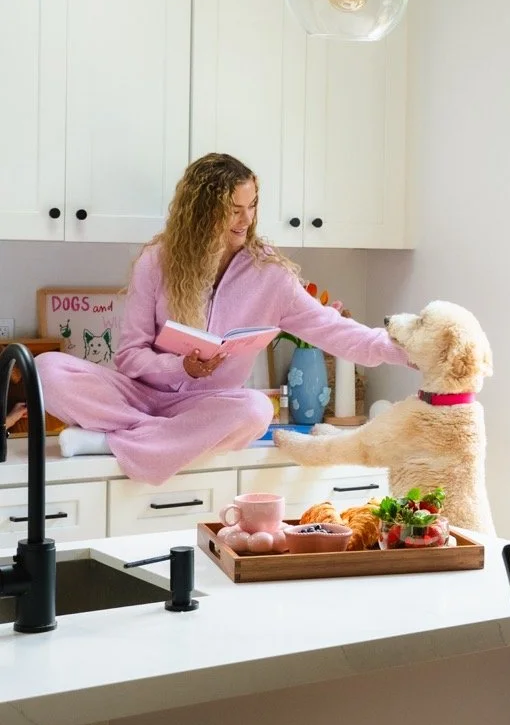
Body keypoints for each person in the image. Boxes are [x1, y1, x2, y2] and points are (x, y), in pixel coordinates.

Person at [36, 154, 408, 486]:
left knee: (256, 410)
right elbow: (129, 357)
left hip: (208, 408)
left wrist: (409, 350)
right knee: (46, 369)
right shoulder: (158, 261)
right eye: (233, 208)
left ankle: (110, 441)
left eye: (252, 206)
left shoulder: (270, 274)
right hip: (139, 398)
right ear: (201, 211)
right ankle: (156, 439)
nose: (246, 220)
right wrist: (181, 366)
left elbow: (335, 329)